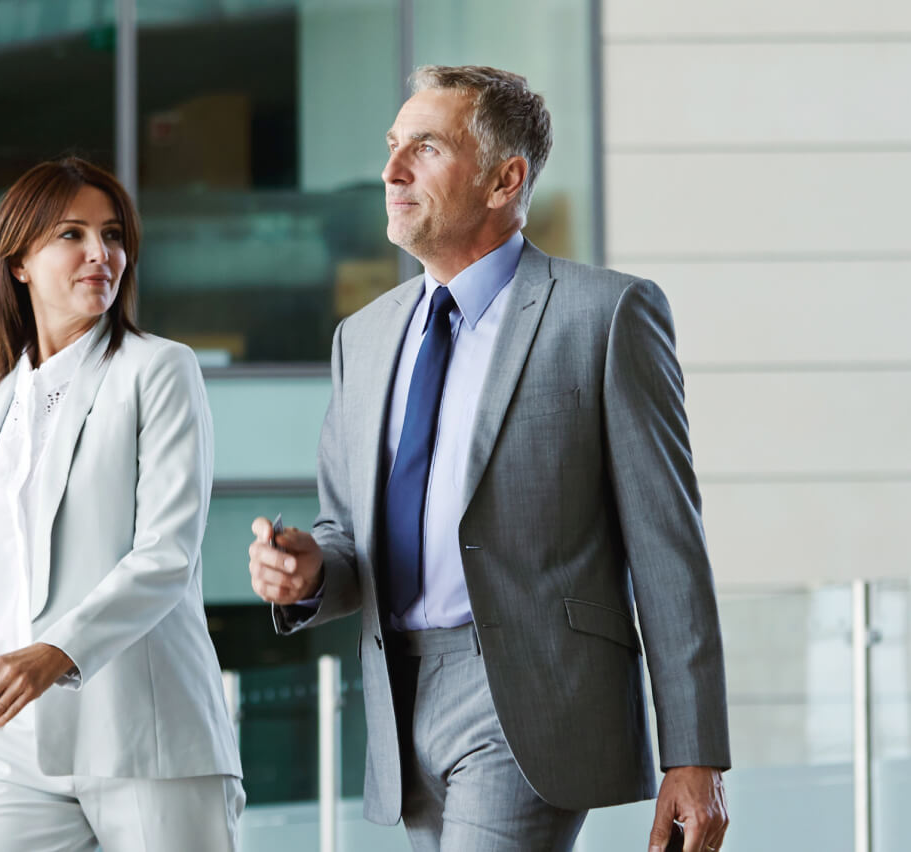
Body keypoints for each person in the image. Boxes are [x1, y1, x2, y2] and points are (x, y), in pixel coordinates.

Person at [247, 65, 731, 852]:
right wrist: (306, 574)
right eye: (392, 146)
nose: (391, 170)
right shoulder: (362, 339)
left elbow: (668, 546)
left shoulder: (604, 315)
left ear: (506, 179)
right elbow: (346, 537)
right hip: (399, 700)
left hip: (528, 694)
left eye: (426, 148)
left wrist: (695, 753)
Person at [0, 157, 243, 851]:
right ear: (18, 263)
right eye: (71, 235)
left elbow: (167, 555)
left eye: (112, 235)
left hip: (146, 737)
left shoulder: (159, 370)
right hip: (14, 749)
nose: (100, 254)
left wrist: (53, 653)